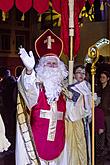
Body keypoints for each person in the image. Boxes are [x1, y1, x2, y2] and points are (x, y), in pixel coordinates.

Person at [16, 29, 87, 165]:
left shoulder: (63, 91)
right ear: (41, 67)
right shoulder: (37, 87)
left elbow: (72, 114)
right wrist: (29, 71)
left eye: (55, 64)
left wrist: (85, 101)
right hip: (36, 143)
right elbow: (27, 90)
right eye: (48, 63)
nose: (52, 67)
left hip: (59, 143)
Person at [68, 65, 92, 165]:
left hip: (83, 120)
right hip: (71, 120)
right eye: (78, 72)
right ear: (73, 74)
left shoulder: (87, 86)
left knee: (83, 145)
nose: (81, 74)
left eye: (83, 73)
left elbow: (89, 106)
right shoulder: (69, 86)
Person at [0, 67, 17, 165]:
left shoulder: (8, 83)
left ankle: (10, 135)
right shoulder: (9, 82)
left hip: (10, 106)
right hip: (9, 106)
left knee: (8, 123)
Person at [97, 71, 110, 160]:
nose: (102, 79)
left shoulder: (109, 89)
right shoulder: (98, 88)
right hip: (100, 113)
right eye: (101, 77)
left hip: (108, 114)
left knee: (108, 132)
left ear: (108, 79)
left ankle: (108, 150)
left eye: (104, 77)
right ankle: (101, 149)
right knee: (101, 132)